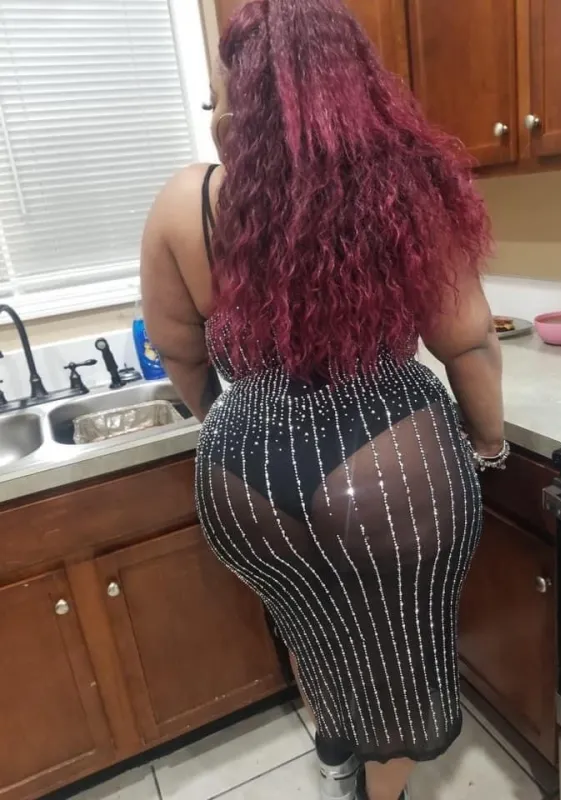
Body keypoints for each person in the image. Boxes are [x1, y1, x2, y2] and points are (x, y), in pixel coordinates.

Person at [140, 1, 506, 798]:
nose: (215, 118)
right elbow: (469, 342)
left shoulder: (184, 202)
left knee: (313, 623)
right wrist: (489, 444)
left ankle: (338, 747)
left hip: (241, 482)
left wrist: (236, 428)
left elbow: (180, 353)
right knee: (402, 649)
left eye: (219, 99)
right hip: (389, 469)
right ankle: (382, 791)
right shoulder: (405, 191)